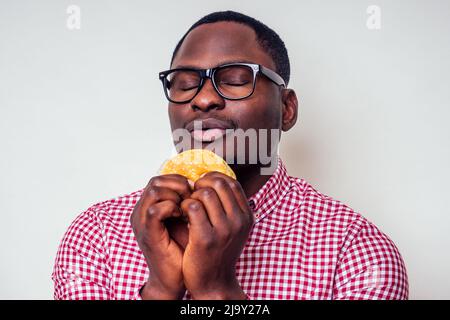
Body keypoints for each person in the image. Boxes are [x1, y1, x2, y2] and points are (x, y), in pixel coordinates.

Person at [52, 10, 408, 300]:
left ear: (286, 109)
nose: (203, 99)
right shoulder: (95, 236)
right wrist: (160, 290)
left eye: (236, 79)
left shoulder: (357, 252)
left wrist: (216, 289)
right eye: (186, 83)